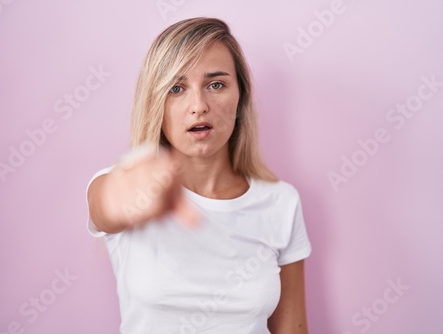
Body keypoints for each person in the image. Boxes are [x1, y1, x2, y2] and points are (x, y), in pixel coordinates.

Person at [86, 17, 312, 334]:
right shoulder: (123, 185)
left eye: (216, 84)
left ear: (241, 97)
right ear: (155, 103)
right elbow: (107, 206)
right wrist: (128, 197)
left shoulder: (280, 201)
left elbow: (292, 329)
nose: (198, 105)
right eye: (176, 88)